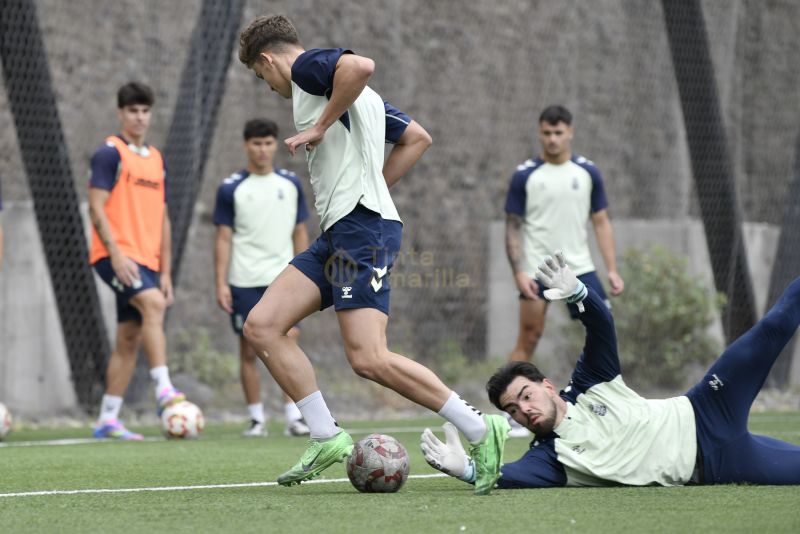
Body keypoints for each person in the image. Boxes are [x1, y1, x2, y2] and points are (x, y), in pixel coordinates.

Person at [237, 14, 509, 494]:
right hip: (343, 230)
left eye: (262, 77)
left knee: (368, 357)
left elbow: (361, 65)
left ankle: (480, 428)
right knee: (262, 326)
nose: (270, 87)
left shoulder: (306, 69)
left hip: (360, 231)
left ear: (268, 60)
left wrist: (319, 127)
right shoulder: (359, 99)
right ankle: (325, 435)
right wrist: (370, 188)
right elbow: (417, 137)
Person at [421, 251, 800, 488]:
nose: (524, 410)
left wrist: (580, 294)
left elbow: (601, 327)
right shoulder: (549, 459)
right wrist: (467, 469)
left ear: (547, 386)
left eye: (525, 395)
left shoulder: (589, 382)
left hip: (706, 408)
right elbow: (507, 477)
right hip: (718, 465)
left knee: (773, 326)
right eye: (513, 410)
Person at [503, 105, 625, 437]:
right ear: (539, 132)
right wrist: (518, 273)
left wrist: (612, 270)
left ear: (570, 132)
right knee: (528, 337)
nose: (553, 139)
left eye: (558, 133)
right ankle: (512, 415)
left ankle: (609, 405)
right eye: (547, 133)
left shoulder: (588, 172)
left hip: (580, 269)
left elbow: (601, 221)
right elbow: (512, 226)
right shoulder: (525, 175)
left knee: (603, 329)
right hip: (537, 270)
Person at [88, 82, 185, 440]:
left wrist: (165, 271)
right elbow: (96, 206)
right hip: (113, 256)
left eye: (145, 110)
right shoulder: (109, 153)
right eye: (132, 110)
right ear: (120, 114)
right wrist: (115, 253)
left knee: (128, 337)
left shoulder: (157, 159)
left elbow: (163, 218)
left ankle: (108, 419)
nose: (140, 117)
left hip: (147, 261)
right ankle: (164, 388)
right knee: (153, 304)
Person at [213, 118, 311, 438]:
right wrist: (221, 282)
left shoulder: (290, 184)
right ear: (246, 146)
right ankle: (256, 419)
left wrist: (305, 275)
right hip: (244, 279)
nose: (262, 149)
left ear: (274, 145)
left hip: (283, 280)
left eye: (268, 143)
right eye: (256, 143)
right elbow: (223, 238)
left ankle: (294, 416)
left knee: (288, 343)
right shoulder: (231, 188)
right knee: (248, 350)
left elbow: (300, 232)